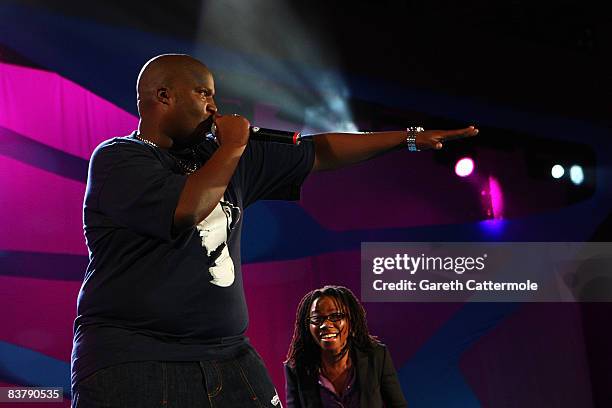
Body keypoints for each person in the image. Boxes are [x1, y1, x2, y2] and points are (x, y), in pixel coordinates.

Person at [71, 53, 477, 407]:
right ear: (164, 96)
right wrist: (232, 146)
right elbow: (187, 208)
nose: (214, 106)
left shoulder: (225, 159)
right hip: (134, 359)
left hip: (228, 356)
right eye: (203, 94)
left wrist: (406, 139)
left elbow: (320, 151)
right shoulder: (118, 159)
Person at [285, 285, 407, 408]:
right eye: (317, 318)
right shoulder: (296, 368)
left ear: (351, 321)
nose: (325, 325)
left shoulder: (376, 356)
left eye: (336, 316)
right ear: (307, 327)